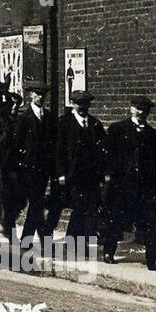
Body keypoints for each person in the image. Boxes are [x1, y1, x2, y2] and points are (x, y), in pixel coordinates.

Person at [103, 96, 156, 271]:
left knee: (151, 221)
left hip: (145, 187)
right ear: (131, 109)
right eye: (138, 109)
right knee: (115, 219)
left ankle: (153, 260)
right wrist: (110, 176)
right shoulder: (117, 129)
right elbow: (108, 156)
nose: (141, 113)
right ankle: (109, 251)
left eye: (145, 110)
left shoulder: (153, 135)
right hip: (122, 185)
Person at [55, 91, 107, 242]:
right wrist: (60, 173)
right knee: (79, 207)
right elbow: (59, 149)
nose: (83, 107)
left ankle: (82, 242)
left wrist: (103, 172)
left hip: (91, 174)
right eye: (79, 104)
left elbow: (102, 149)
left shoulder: (94, 124)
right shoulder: (64, 123)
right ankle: (72, 241)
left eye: (86, 104)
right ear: (72, 104)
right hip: (73, 174)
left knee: (91, 207)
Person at [9, 82, 56, 243]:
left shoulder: (49, 117)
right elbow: (15, 144)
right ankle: (43, 239)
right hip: (26, 168)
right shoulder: (23, 117)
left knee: (36, 203)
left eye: (43, 94)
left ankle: (27, 240)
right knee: (36, 202)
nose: (40, 97)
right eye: (37, 94)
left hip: (42, 168)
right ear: (31, 95)